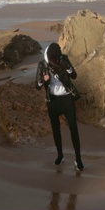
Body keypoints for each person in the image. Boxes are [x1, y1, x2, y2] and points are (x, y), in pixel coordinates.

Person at [35, 42, 84, 171]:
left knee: (73, 129)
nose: (56, 61)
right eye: (54, 60)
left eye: (57, 59)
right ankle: (60, 155)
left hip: (67, 98)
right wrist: (43, 80)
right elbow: (37, 86)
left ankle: (78, 159)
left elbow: (74, 76)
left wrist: (67, 67)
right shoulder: (42, 65)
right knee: (56, 130)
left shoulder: (63, 59)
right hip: (52, 101)